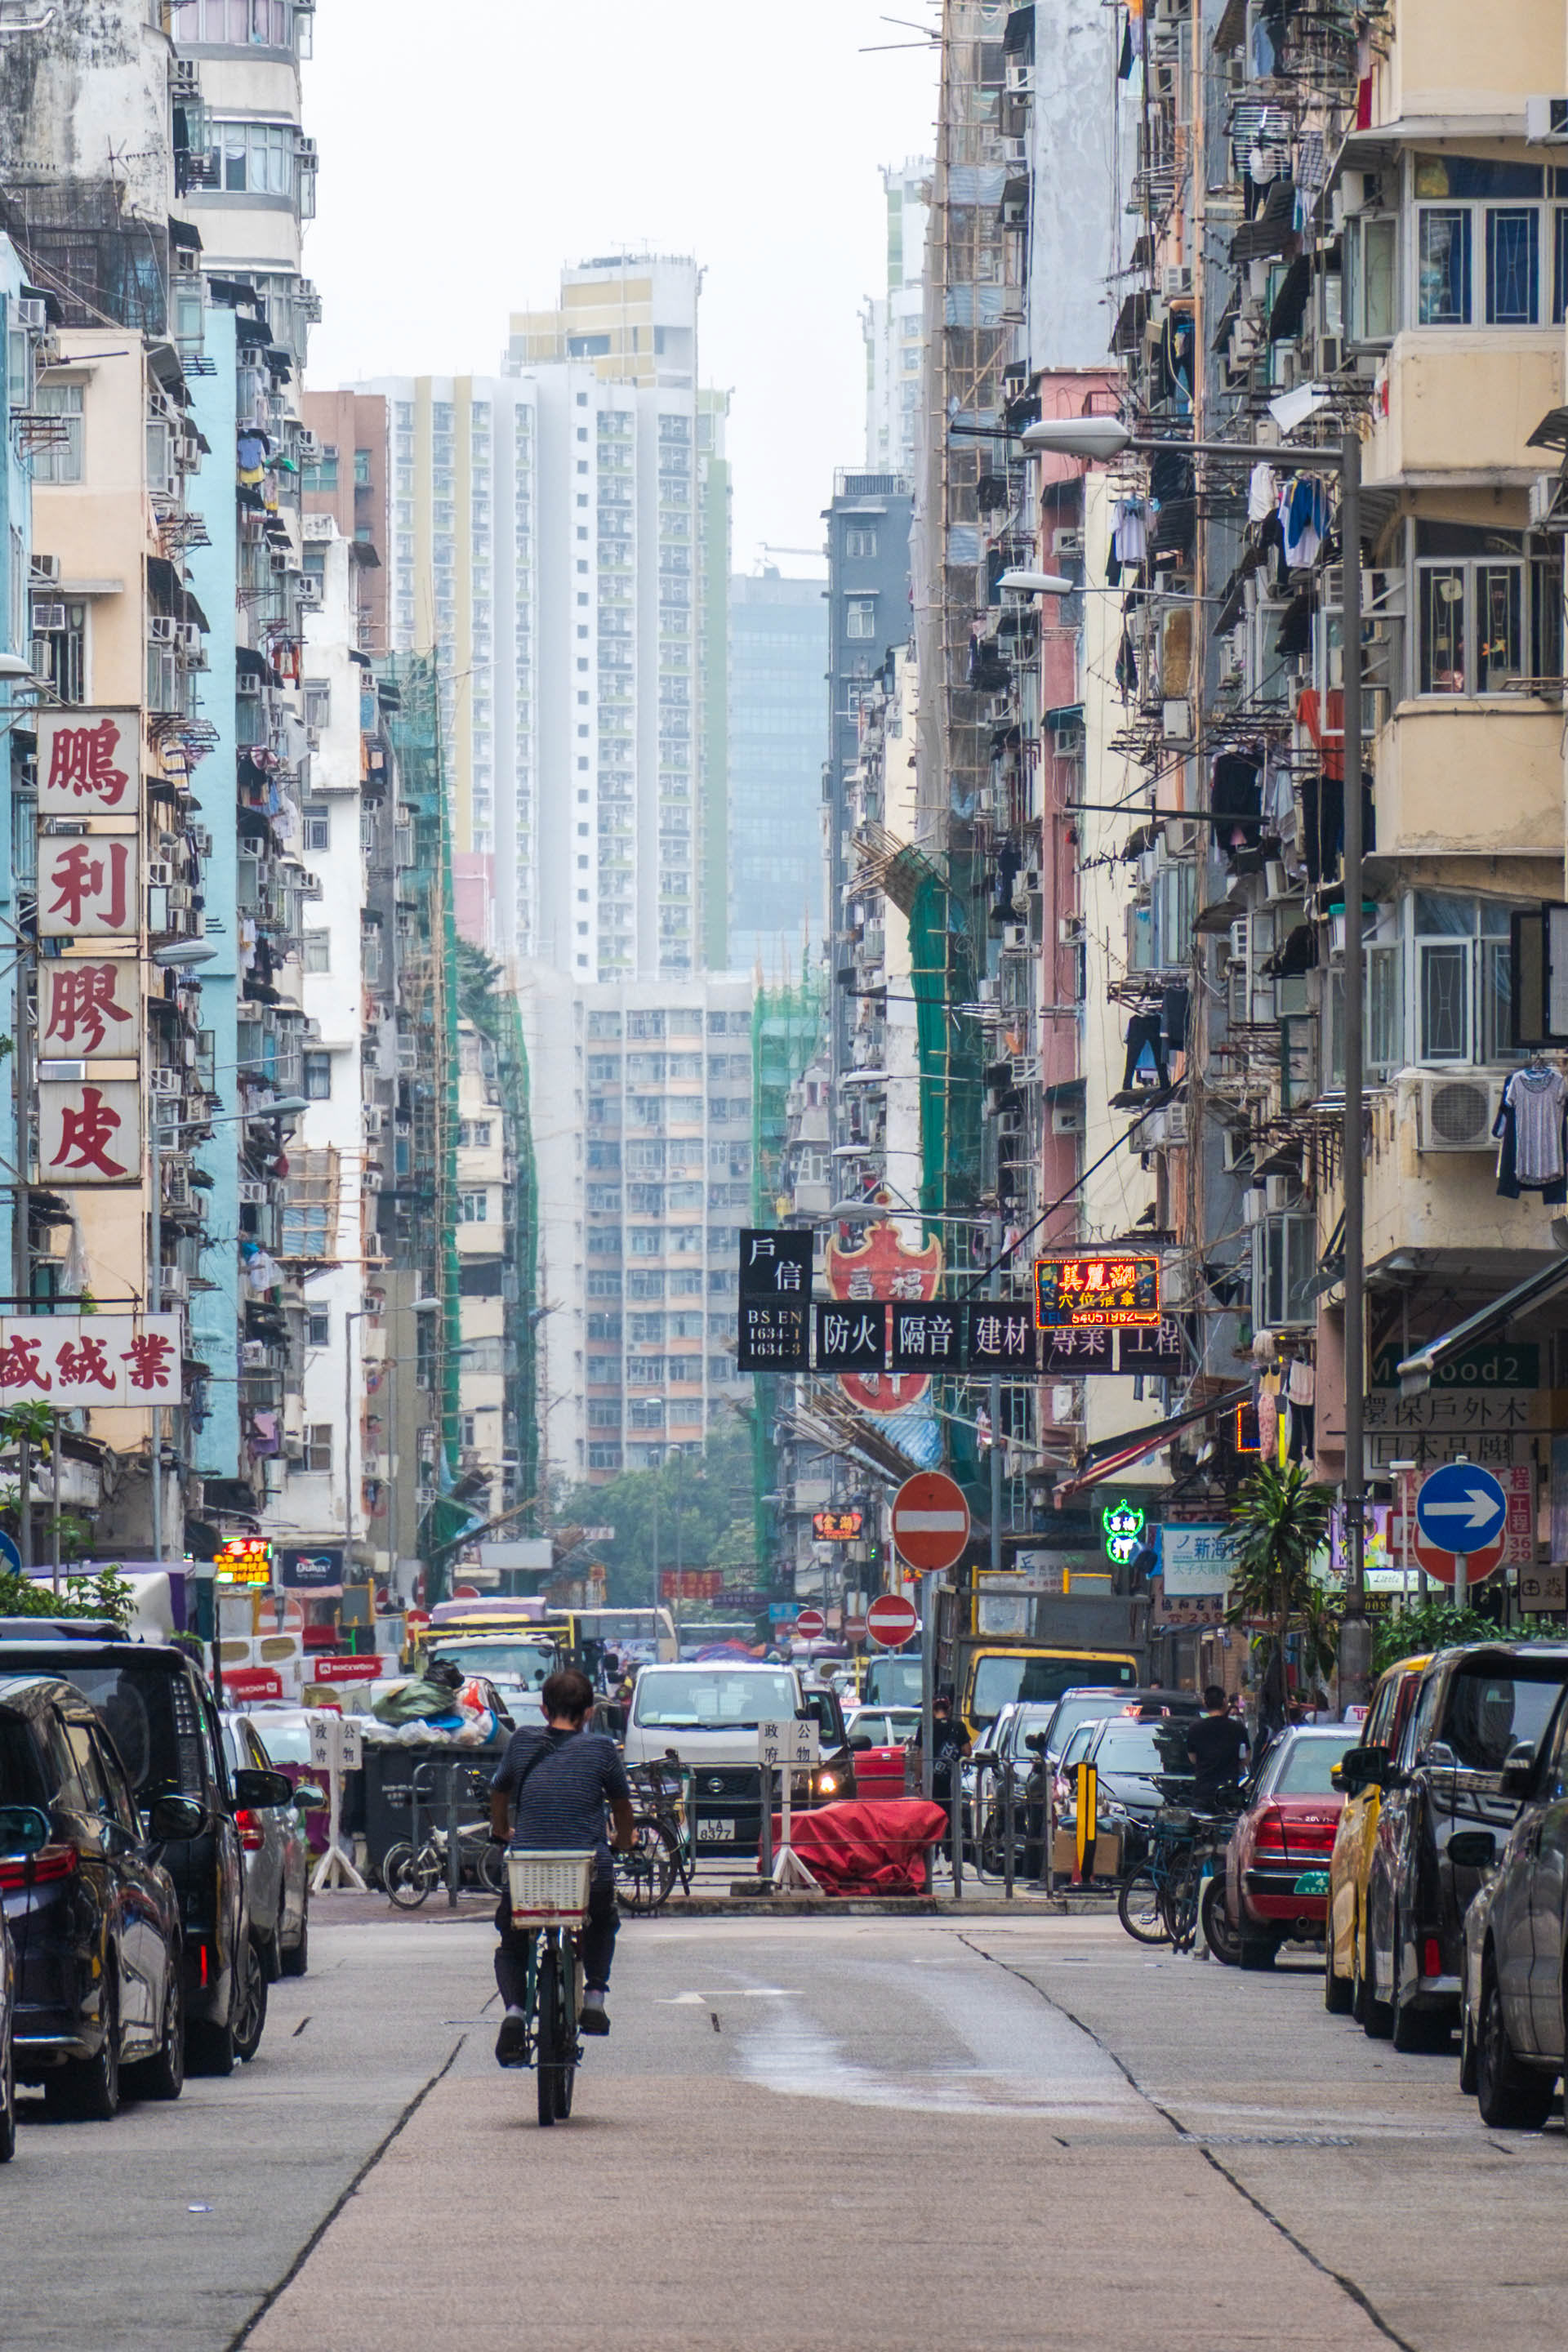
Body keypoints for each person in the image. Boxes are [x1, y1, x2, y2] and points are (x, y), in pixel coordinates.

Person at [488, 1665, 636, 2065]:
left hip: (528, 1869)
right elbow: (622, 1808)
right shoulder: (603, 1749)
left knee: (512, 1940)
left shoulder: (521, 1742)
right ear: (589, 1712)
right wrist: (625, 1841)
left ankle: (516, 2013)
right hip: (587, 1869)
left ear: (542, 1709)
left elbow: (499, 1792)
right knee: (603, 1920)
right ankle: (594, 1996)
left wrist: (502, 1830)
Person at [1186, 1684, 1250, 1810]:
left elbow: (1193, 1759)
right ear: (1224, 1702)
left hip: (1203, 1790)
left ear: (1205, 1703)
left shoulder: (1194, 1728)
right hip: (1229, 1791)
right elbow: (1246, 1758)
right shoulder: (1237, 1728)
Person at [920, 1690, 971, 1806]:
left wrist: (919, 1782)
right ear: (949, 1708)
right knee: (950, 1814)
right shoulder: (959, 1727)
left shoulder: (925, 1728)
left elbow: (920, 1756)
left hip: (930, 1783)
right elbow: (968, 1751)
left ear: (932, 1709)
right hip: (952, 1783)